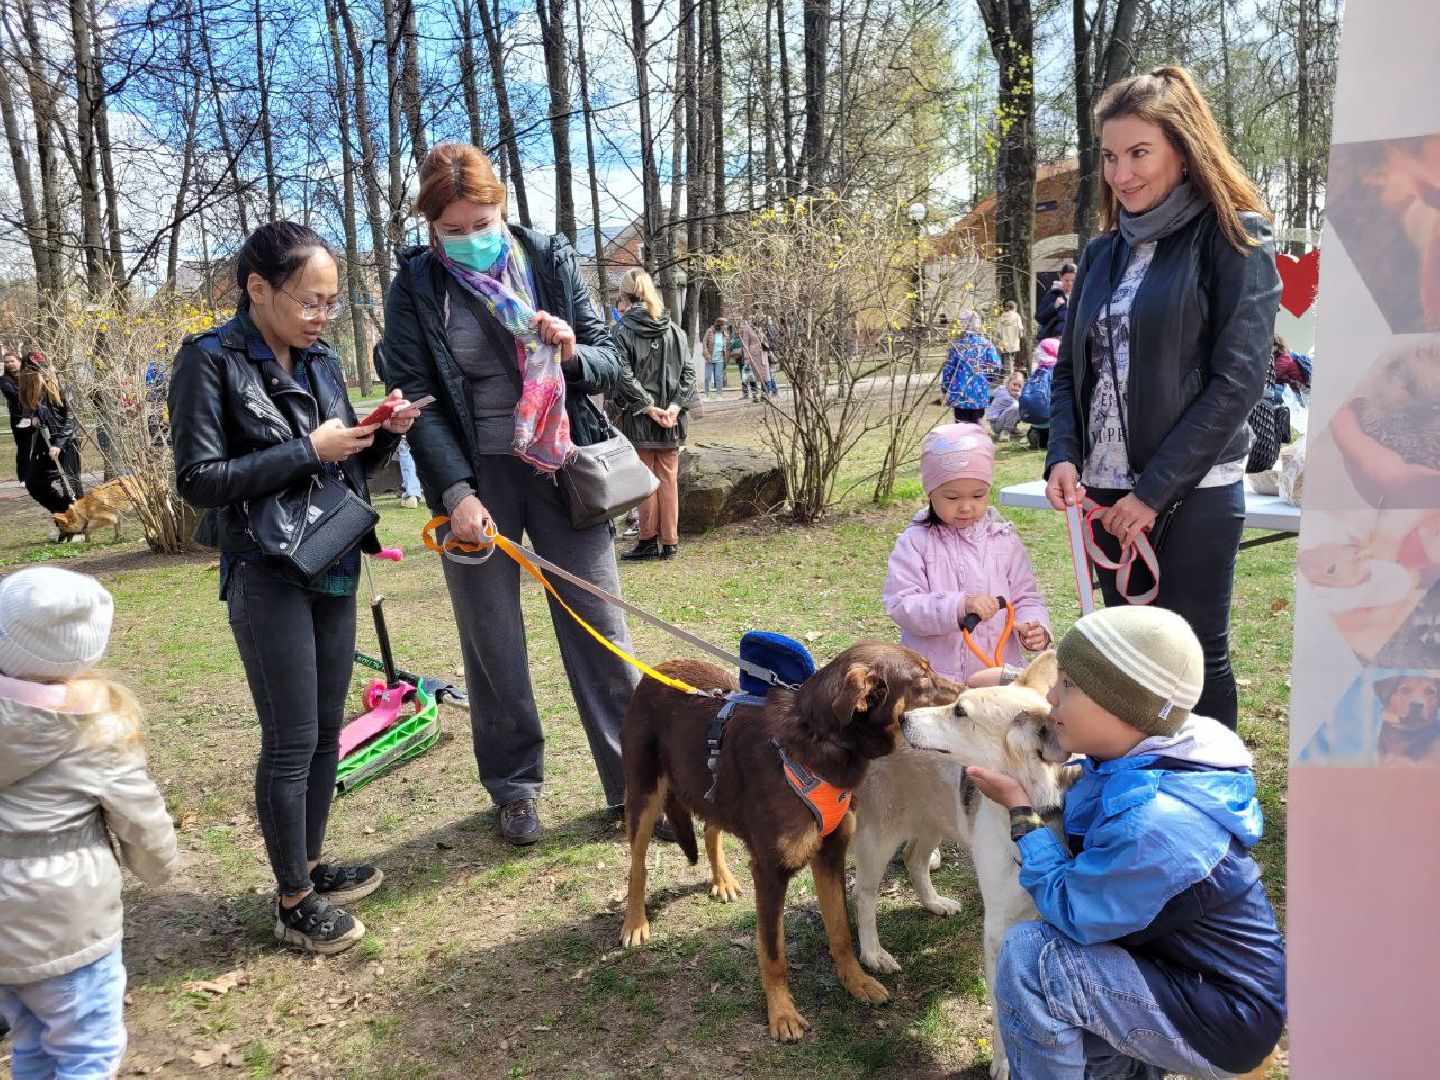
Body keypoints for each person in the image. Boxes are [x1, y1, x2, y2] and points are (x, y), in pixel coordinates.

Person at [381, 142, 641, 846]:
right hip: (475, 479)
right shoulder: (414, 287)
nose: (469, 238)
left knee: (600, 628)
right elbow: (418, 398)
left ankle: (632, 782)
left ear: (502, 208)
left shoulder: (548, 256)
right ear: (431, 226)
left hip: (562, 466)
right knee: (492, 643)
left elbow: (611, 357)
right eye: (452, 229)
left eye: (481, 222)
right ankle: (514, 787)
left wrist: (572, 352)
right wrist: (455, 492)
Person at [170, 221, 415, 953]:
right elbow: (198, 480)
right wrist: (308, 448)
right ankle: (293, 901)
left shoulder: (320, 359)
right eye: (309, 301)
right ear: (257, 288)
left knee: (324, 731)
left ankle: (308, 864)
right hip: (264, 567)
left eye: (330, 303)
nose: (321, 316)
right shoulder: (209, 358)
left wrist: (384, 431)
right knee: (290, 738)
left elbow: (344, 467)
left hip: (331, 555)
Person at [1043, 65, 1282, 731]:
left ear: (1183, 148)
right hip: (1105, 493)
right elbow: (1070, 371)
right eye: (1110, 156)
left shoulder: (1236, 238)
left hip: (1195, 490)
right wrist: (1062, 453)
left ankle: (1211, 786)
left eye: (1139, 153)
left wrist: (1152, 494)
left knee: (1193, 658)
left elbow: (1237, 382)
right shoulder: (1101, 253)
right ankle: (1139, 786)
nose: (1121, 174)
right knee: (1126, 665)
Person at [968, 605, 1284, 1080]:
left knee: (1034, 958)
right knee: (1074, 968)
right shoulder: (1144, 754)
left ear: (1121, 706)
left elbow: (1073, 909)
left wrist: (1022, 813)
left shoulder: (1155, 824)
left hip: (1225, 1019)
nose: (1050, 696)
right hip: (1180, 977)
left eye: (1067, 686)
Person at [0, 568, 179, 1077]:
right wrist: (160, 866)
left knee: (31, 1040)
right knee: (87, 1051)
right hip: (65, 920)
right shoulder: (98, 727)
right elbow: (139, 814)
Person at [884, 424, 1051, 687]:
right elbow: (902, 604)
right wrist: (959, 607)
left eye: (978, 495)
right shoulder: (915, 542)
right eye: (952, 497)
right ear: (930, 493)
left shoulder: (1003, 539)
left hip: (996, 675)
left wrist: (1033, 625)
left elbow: (1025, 597)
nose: (966, 506)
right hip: (937, 680)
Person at [612, 269, 696, 562]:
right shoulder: (674, 330)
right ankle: (670, 541)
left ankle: (647, 540)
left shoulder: (621, 331)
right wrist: (674, 407)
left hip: (640, 418)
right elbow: (688, 373)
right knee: (668, 480)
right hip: (671, 420)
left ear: (624, 295)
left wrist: (648, 407)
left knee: (644, 480)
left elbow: (622, 376)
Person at [18, 360, 83, 522]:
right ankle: (64, 515)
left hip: (66, 441)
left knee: (70, 484)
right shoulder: (31, 390)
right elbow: (26, 417)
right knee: (34, 482)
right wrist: (31, 419)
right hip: (44, 441)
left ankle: (79, 522)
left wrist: (58, 444)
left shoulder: (63, 388)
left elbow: (71, 419)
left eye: (44, 369)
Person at [940, 310, 1003, 423]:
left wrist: (945, 389)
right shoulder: (986, 344)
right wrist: (986, 379)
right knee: (976, 426)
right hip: (980, 393)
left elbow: (948, 369)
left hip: (960, 394)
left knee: (961, 426)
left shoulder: (957, 345)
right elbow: (996, 367)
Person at [2, 349, 34, 484]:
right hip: (19, 418)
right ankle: (24, 477)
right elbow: (13, 395)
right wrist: (31, 392)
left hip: (36, 414)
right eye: (7, 362)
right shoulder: (4, 380)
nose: (9, 364)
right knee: (24, 448)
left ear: (19, 361)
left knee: (41, 446)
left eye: (12, 361)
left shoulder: (28, 374)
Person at [1035, 262, 1075, 340]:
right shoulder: (1053, 294)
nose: (1070, 283)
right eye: (1066, 280)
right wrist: (1054, 306)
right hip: (1055, 339)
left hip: (1075, 339)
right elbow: (1039, 317)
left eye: (1073, 280)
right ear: (1060, 278)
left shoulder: (1080, 296)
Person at [987, 371, 1026, 440]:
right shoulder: (1003, 393)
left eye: (1019, 386)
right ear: (1008, 383)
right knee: (1017, 406)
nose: (1016, 388)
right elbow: (1020, 404)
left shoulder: (1013, 394)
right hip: (996, 424)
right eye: (1014, 384)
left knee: (1021, 407)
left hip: (1002, 419)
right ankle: (1005, 431)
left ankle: (1013, 428)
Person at [739, 317, 771, 401]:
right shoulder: (747, 329)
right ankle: (755, 395)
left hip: (763, 355)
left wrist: (764, 340)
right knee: (752, 376)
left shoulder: (762, 328)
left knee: (765, 375)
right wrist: (746, 357)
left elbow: (767, 340)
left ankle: (764, 395)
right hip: (753, 356)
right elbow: (745, 343)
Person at [995, 299, 1025, 375]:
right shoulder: (1017, 317)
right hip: (1014, 342)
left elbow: (998, 331)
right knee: (1012, 358)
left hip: (1005, 342)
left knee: (1006, 358)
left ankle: (1007, 374)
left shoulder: (1001, 317)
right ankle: (1010, 374)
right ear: (1014, 308)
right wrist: (1020, 336)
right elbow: (1020, 330)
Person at [701, 316, 728, 397]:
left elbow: (726, 346)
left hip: (720, 359)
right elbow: (704, 343)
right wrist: (707, 355)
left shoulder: (724, 333)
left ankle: (719, 395)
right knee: (707, 377)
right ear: (720, 324)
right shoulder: (710, 331)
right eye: (724, 324)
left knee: (718, 377)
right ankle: (706, 394)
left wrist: (726, 356)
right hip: (710, 359)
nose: (726, 326)